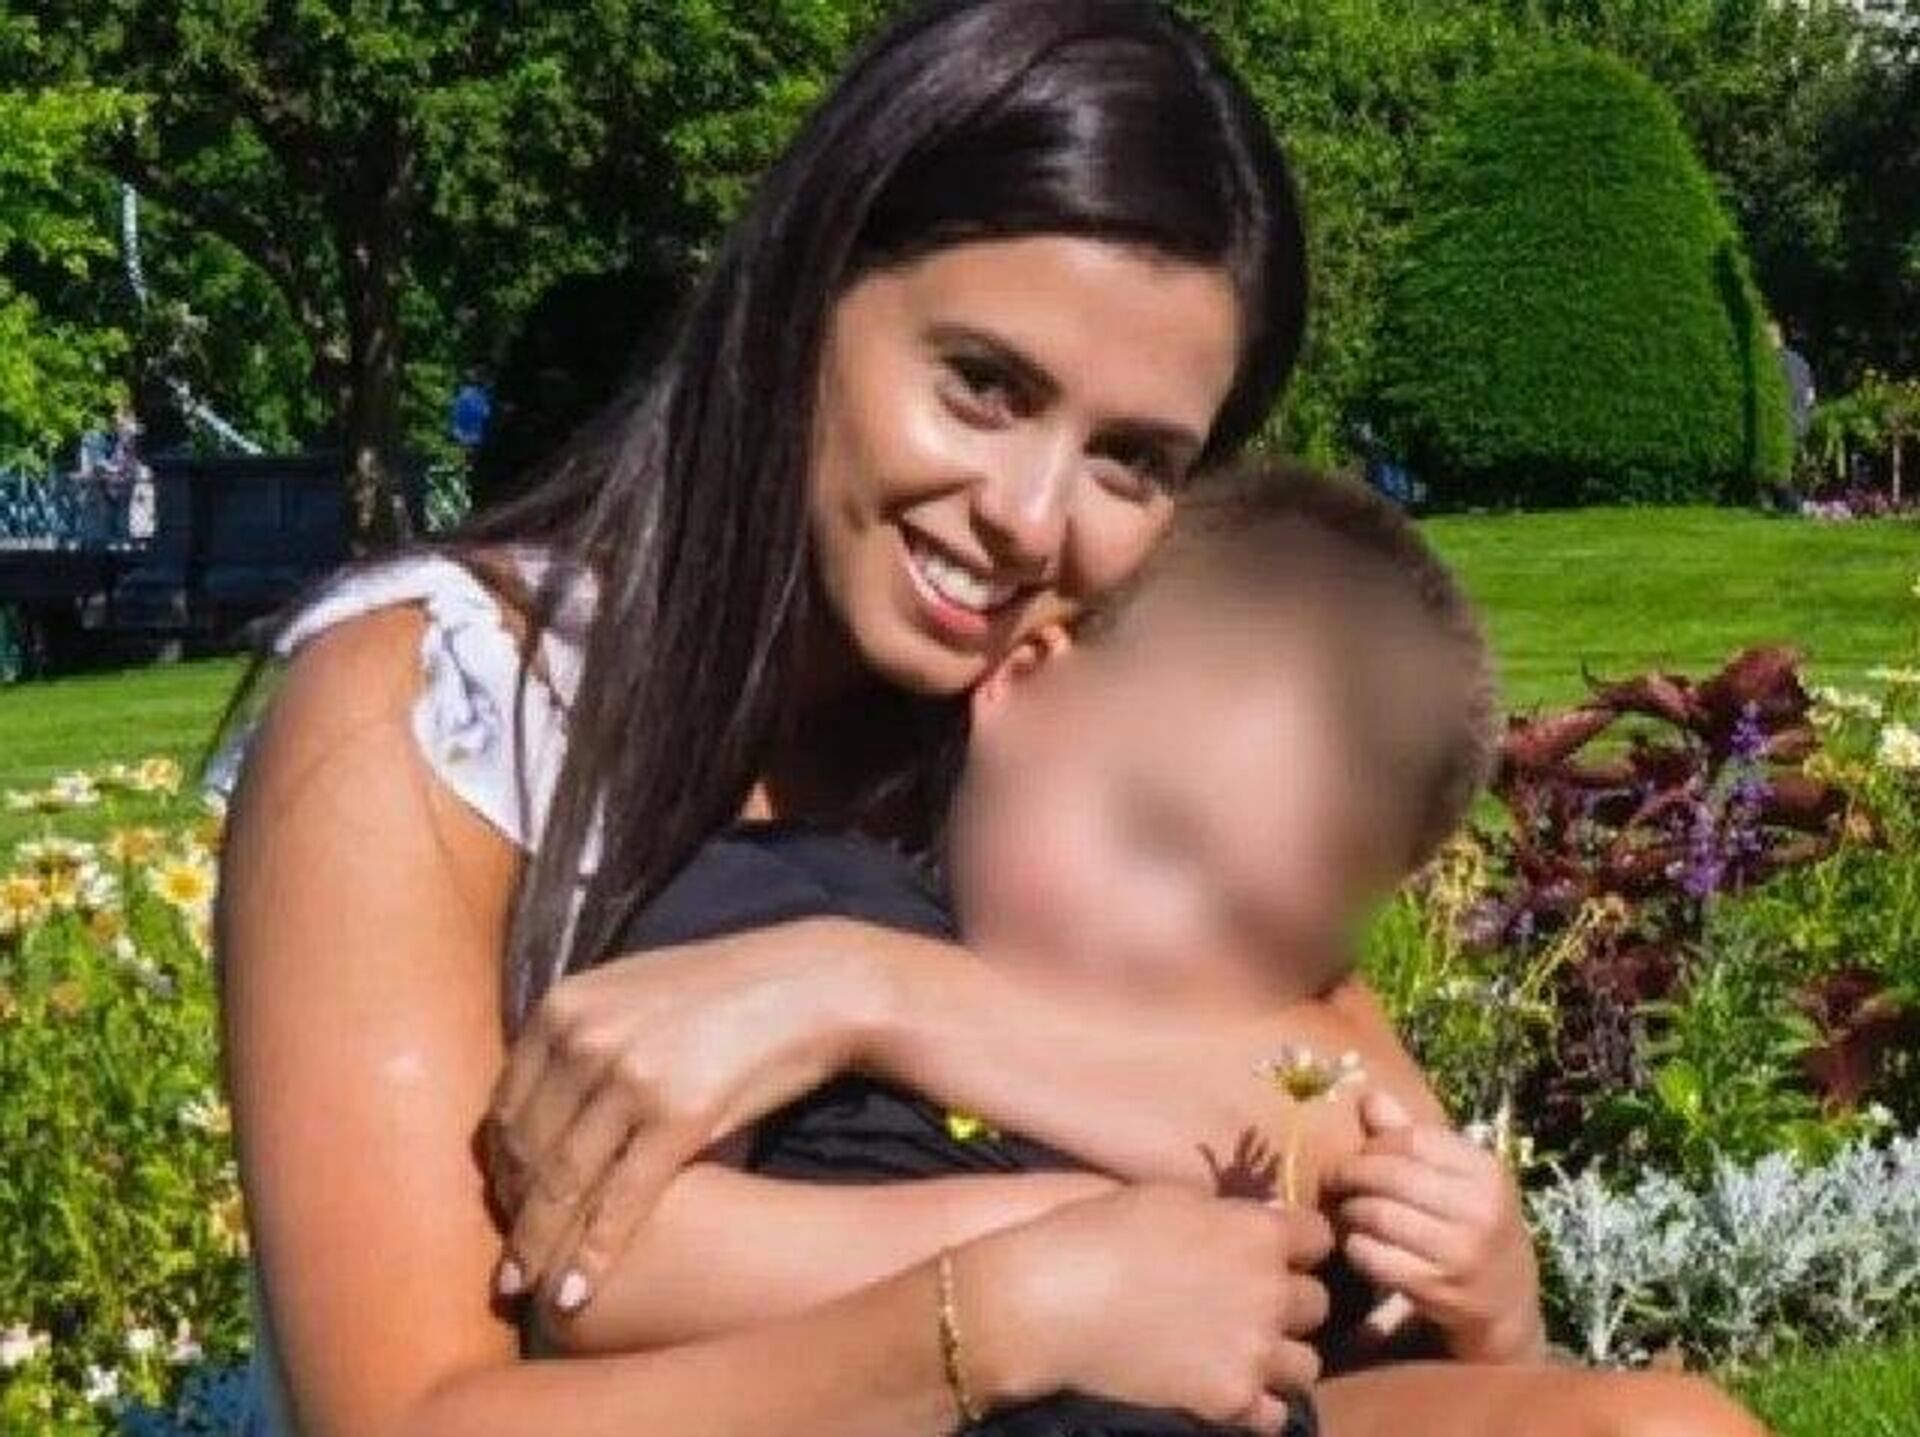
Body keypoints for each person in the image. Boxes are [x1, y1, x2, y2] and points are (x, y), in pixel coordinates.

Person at [212, 5, 1416, 1436]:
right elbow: (406, 1416)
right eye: (985, 385)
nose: (1031, 519)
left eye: (1132, 459)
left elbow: (1361, 1126)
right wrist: (1002, 1314)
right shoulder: (441, 711)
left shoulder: (1068, 722)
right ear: (805, 293)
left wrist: (856, 993)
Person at [526, 464, 1767, 1437]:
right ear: (1024, 678)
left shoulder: (1265, 1052)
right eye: (1152, 833)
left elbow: (1353, 1341)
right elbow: (607, 1273)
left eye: (1261, 931)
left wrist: (1495, 1321)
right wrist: (1051, 1258)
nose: (1168, 941)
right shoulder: (798, 900)